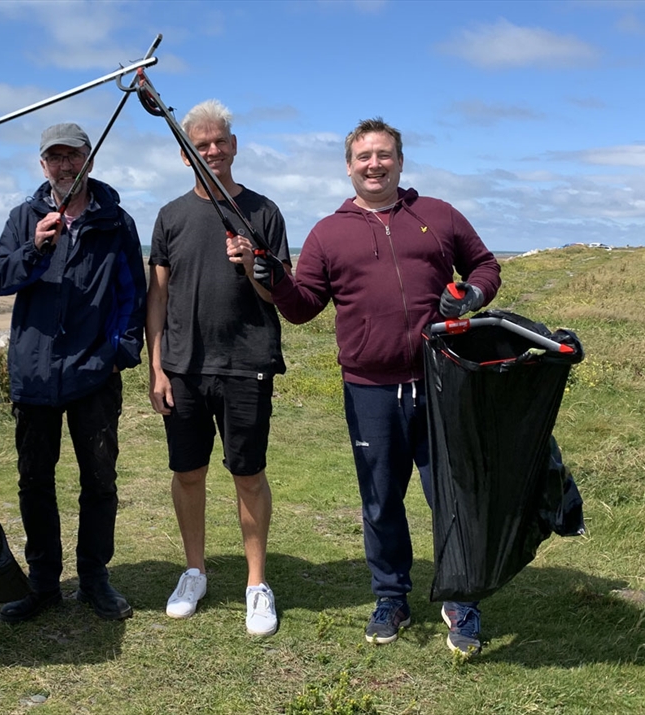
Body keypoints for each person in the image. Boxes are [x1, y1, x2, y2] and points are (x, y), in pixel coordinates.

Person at [252, 118, 501, 658]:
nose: (374, 164)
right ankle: (392, 597)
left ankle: (460, 599)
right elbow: (301, 307)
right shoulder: (327, 233)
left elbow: (484, 265)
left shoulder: (436, 215)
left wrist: (473, 295)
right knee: (380, 500)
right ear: (348, 166)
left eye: (383, 155)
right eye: (363, 156)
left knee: (451, 498)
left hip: (440, 383)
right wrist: (271, 278)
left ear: (400, 161)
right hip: (369, 389)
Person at [0, 123, 146, 623]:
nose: (64, 166)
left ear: (90, 160)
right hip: (34, 377)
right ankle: (43, 584)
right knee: (35, 481)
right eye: (54, 158)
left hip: (93, 376)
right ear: (42, 166)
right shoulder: (24, 217)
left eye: (73, 156)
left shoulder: (116, 222)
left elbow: (132, 297)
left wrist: (117, 352)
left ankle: (95, 578)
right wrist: (34, 247)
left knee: (99, 479)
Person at [147, 100, 292, 637]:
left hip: (246, 361)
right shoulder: (170, 216)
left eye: (220, 142)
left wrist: (251, 263)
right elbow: (157, 297)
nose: (212, 151)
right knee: (187, 473)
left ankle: (257, 584)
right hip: (183, 367)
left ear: (235, 146)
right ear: (186, 154)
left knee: (248, 474)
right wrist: (157, 367)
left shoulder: (264, 212)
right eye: (200, 144)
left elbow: (277, 293)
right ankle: (195, 571)